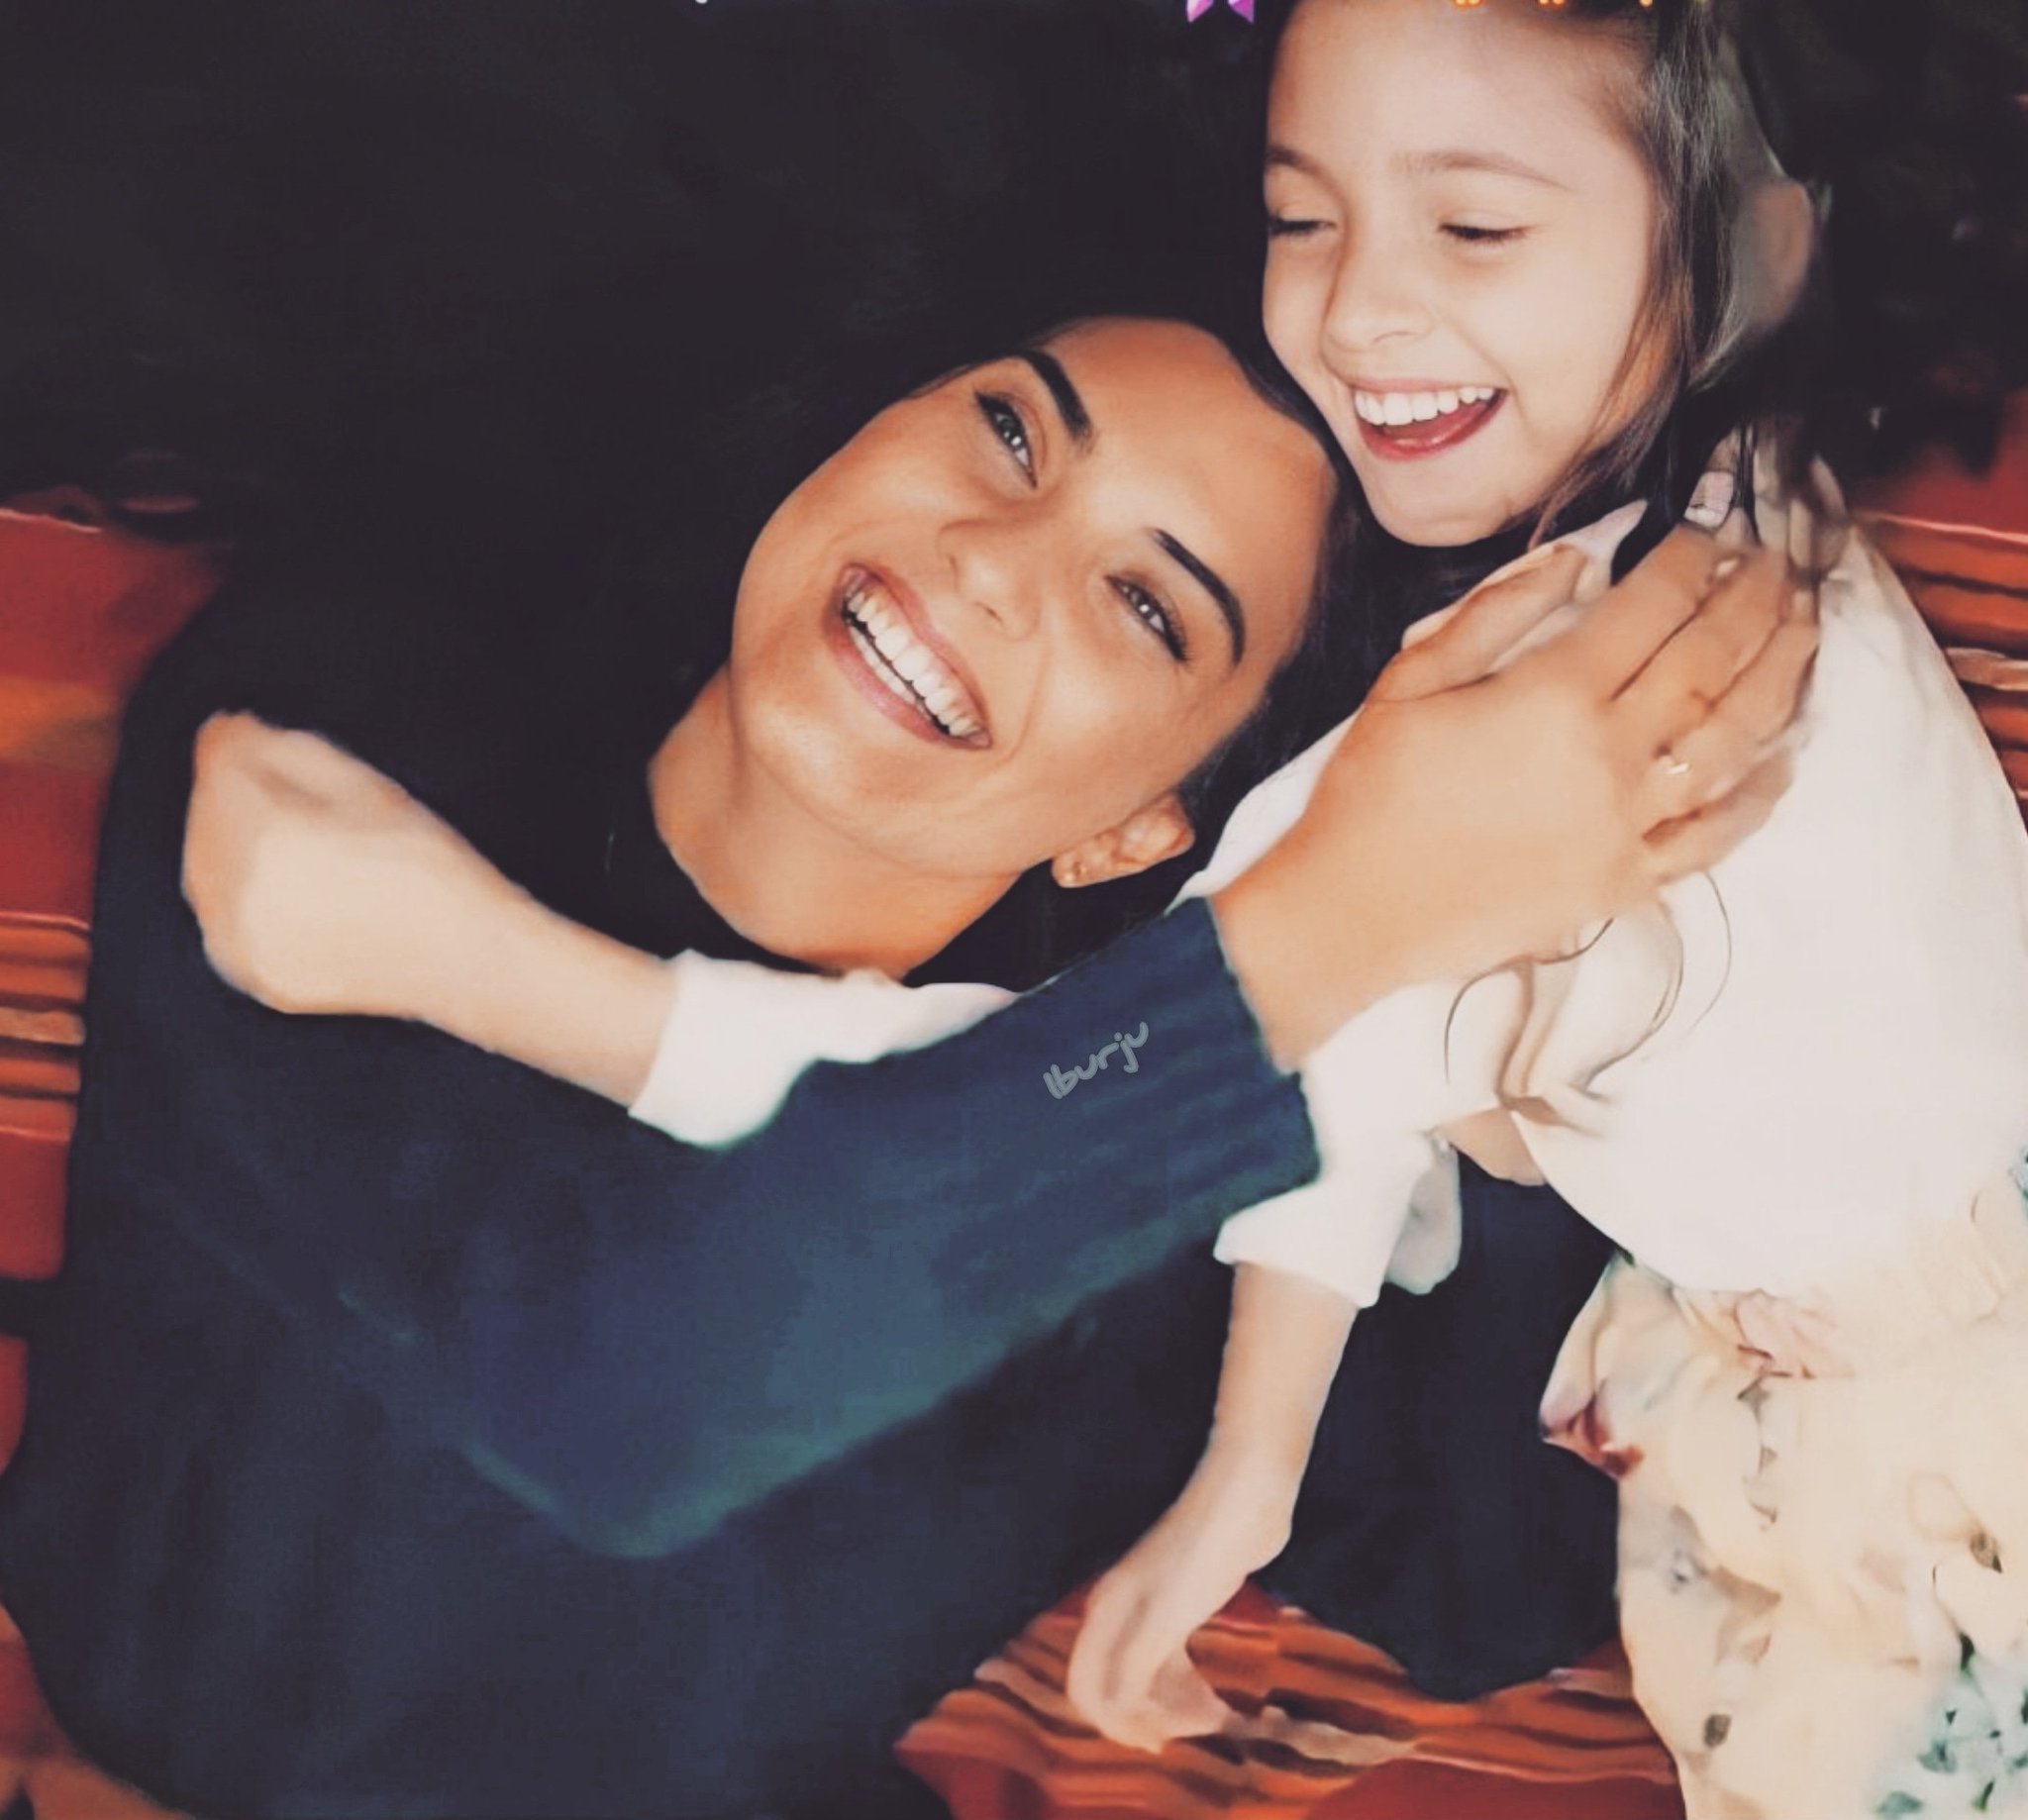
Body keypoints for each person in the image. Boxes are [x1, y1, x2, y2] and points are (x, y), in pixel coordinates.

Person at [3, 286, 1804, 1820]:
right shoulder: (354, 737)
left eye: (1148, 607)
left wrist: (1497, 1042)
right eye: (1013, 432)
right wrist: (1339, 918)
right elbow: (621, 1380)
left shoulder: (1150, 1184)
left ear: (1145, 828)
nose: (993, 562)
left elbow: (1480, 1579)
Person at [1005, 5, 2028, 1814]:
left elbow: (1300, 1003)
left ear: (1751, 250)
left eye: (1473, 225)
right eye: (1301, 217)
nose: (1355, 310)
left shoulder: (1587, 657)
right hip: (1831, 1343)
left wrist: (1249, 1468)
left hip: (1925, 1408)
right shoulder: (1734, 495)